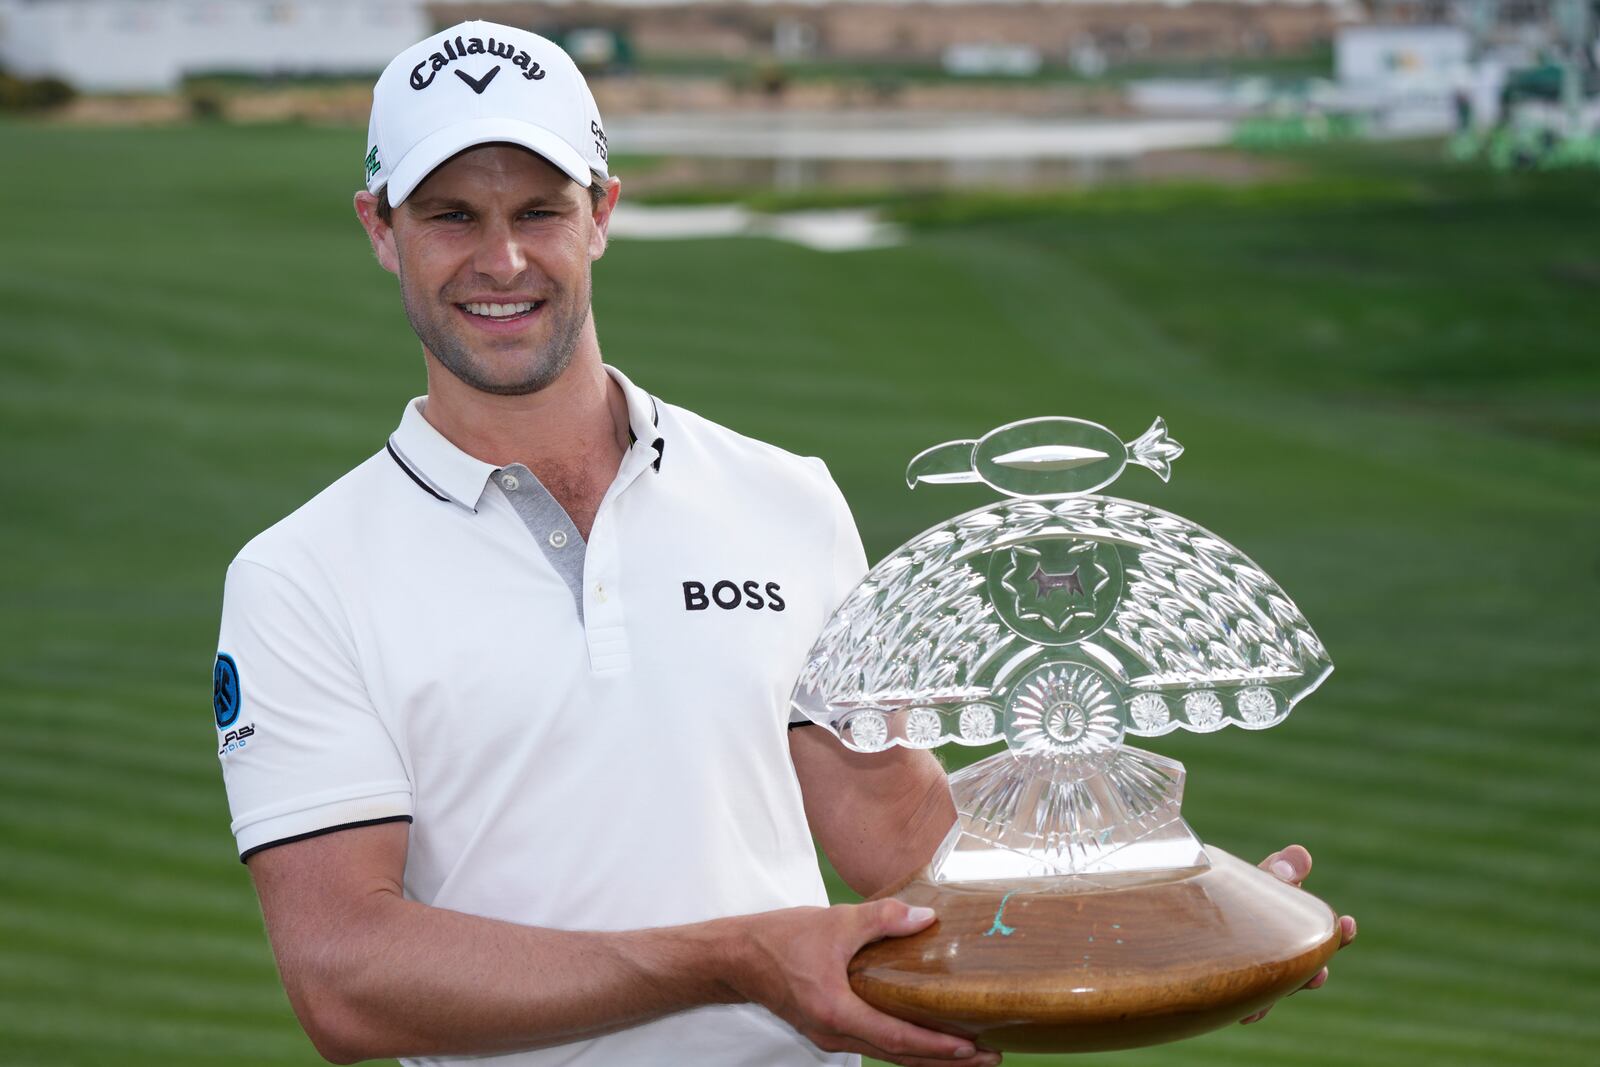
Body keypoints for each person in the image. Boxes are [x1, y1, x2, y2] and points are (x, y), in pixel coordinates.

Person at [213, 21, 1354, 1067]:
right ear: (381, 228)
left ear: (604, 211)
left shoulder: (782, 496)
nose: (501, 260)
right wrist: (729, 954)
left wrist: (1167, 924)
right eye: (451, 215)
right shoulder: (302, 576)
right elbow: (345, 977)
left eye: (541, 210)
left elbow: (895, 829)